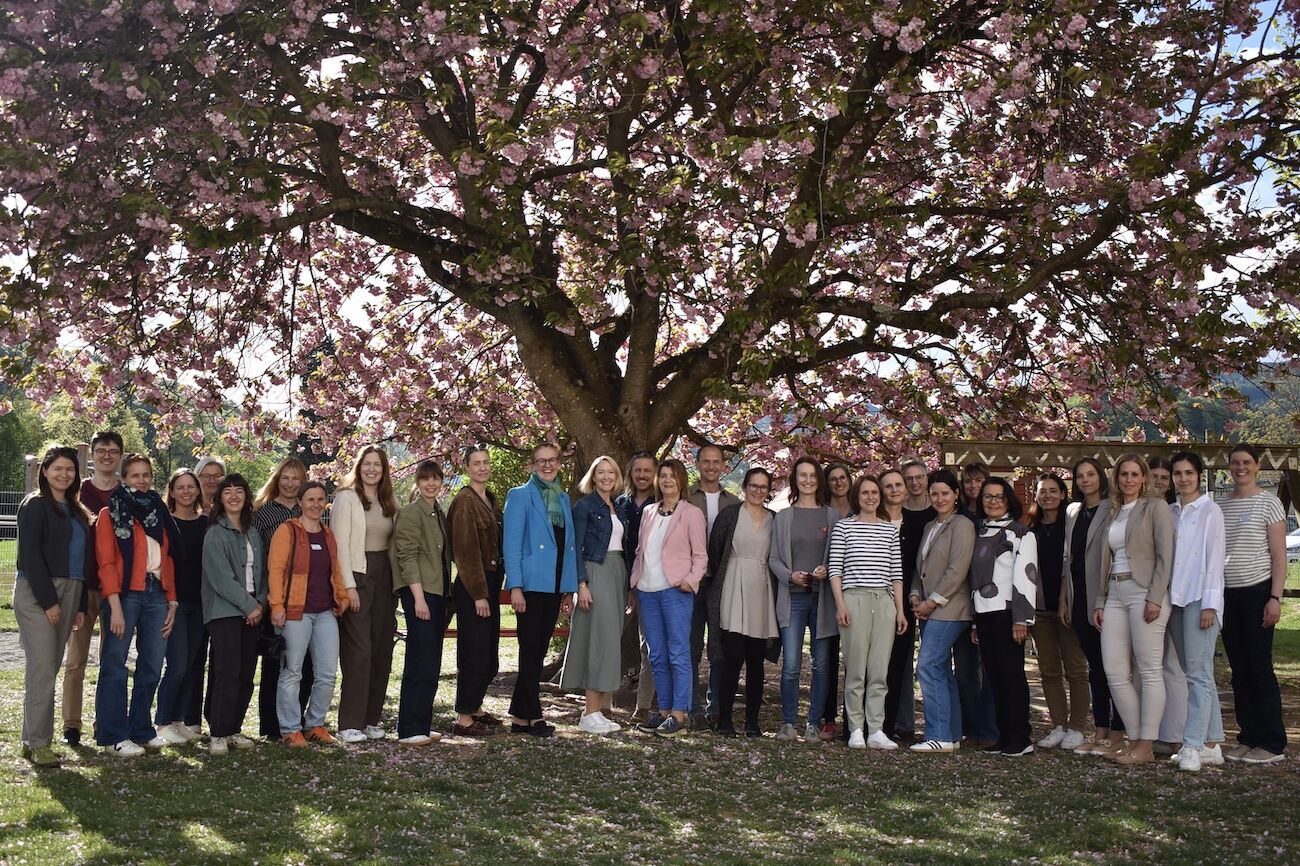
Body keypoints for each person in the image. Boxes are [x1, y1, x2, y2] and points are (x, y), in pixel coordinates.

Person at [93, 454, 181, 756]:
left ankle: (141, 729)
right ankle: (112, 735)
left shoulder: (159, 512)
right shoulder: (111, 512)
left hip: (157, 594)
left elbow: (167, 559)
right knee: (115, 664)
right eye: (134, 476)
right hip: (125, 594)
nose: (141, 481)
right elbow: (105, 562)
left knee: (152, 665)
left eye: (146, 475)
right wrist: (114, 606)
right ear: (124, 478)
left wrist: (172, 600)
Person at [1093, 454, 1174, 766]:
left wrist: (1155, 597)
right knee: (1114, 671)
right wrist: (1100, 600)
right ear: (1117, 479)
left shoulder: (1156, 507)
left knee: (1150, 669)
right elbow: (1105, 560)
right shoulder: (1113, 510)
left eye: (1134, 474)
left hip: (1144, 593)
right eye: (1123, 474)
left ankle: (1146, 744)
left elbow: (1166, 556)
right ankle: (1136, 738)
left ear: (1144, 478)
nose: (1128, 479)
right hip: (1114, 592)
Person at [15, 447, 93, 767]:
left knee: (47, 667)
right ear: (44, 471)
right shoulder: (35, 505)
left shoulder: (76, 510)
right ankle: (39, 743)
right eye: (57, 469)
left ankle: (29, 738)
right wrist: (49, 602)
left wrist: (79, 604)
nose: (64, 474)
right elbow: (31, 557)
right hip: (38, 593)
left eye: (70, 470)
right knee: (44, 666)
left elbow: (84, 561)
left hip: (71, 590)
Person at [268, 480, 352, 747]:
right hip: (295, 612)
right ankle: (289, 729)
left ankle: (314, 724)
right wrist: (276, 605)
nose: (316, 504)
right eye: (310, 499)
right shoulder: (288, 531)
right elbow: (276, 571)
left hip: (325, 611)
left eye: (320, 500)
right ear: (301, 503)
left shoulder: (327, 534)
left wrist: (342, 596)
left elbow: (335, 570)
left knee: (327, 673)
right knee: (292, 671)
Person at [502, 443, 578, 737]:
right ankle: (533, 716)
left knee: (538, 650)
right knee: (530, 649)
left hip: (555, 584)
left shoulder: (563, 497)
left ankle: (521, 718)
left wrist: (568, 588)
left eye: (552, 460)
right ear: (532, 465)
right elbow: (511, 544)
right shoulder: (520, 496)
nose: (547, 465)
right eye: (541, 461)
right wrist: (516, 587)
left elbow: (567, 548)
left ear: (559, 463)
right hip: (531, 585)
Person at [1219, 443, 1288, 764]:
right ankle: (1248, 736)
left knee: (1259, 669)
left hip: (1258, 591)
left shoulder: (1269, 502)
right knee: (1239, 670)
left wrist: (1275, 597)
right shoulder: (1221, 505)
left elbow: (1278, 556)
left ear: (1258, 466)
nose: (1240, 467)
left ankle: (1272, 742)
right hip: (1228, 595)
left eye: (1246, 462)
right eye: (1235, 462)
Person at [630, 458, 708, 736]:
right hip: (647, 591)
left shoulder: (691, 513)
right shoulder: (649, 512)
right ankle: (663, 712)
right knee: (656, 655)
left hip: (676, 591)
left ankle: (679, 713)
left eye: (672, 476)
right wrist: (634, 584)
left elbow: (700, 554)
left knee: (678, 653)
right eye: (662, 475)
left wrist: (691, 580)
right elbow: (641, 551)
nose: (666, 480)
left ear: (681, 481)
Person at [828, 474, 905, 750]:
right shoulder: (844, 528)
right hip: (854, 599)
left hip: (883, 602)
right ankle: (856, 729)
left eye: (875, 493)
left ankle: (876, 729)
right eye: (865, 493)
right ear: (857, 497)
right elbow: (835, 569)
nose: (871, 497)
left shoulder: (889, 530)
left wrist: (899, 610)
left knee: (878, 671)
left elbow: (896, 573)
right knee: (856, 669)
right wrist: (840, 604)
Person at [769, 457, 840, 742]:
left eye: (813, 475)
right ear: (794, 479)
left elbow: (840, 556)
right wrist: (789, 576)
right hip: (793, 599)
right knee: (791, 664)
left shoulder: (832, 516)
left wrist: (827, 569)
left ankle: (813, 722)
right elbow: (774, 558)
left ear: (819, 480)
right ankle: (788, 722)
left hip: (823, 600)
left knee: (821, 664)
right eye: (802, 475)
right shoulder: (784, 517)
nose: (808, 480)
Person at [332, 445, 398, 743]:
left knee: (382, 649)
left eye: (378, 466)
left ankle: (371, 719)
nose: (372, 470)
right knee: (359, 652)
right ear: (359, 467)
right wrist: (348, 586)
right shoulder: (346, 498)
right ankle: (349, 723)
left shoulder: (388, 500)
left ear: (384, 471)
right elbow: (340, 547)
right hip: (358, 574)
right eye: (367, 464)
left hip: (385, 576)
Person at [705, 468, 778, 738]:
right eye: (753, 486)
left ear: (768, 490)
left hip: (761, 588)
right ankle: (724, 719)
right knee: (732, 656)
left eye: (763, 486)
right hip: (733, 586)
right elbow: (715, 553)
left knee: (756, 660)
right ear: (745, 487)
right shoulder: (729, 515)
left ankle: (752, 722)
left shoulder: (775, 519)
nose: (758, 491)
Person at [561, 456, 631, 734]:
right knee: (599, 640)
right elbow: (575, 547)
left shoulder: (619, 506)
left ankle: (598, 711)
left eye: (610, 472)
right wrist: (581, 583)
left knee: (611, 640)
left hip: (617, 571)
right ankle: (589, 713)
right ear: (593, 476)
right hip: (596, 570)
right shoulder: (584, 505)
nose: (606, 477)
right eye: (600, 472)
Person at [970, 477, 1039, 756]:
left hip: (1009, 614)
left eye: (999, 497)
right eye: (988, 496)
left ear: (1009, 499)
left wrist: (1022, 619)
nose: (993, 501)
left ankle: (1021, 738)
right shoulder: (979, 531)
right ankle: (1003, 735)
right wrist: (974, 620)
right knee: (994, 677)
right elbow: (974, 578)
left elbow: (1027, 576)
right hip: (984, 613)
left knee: (1012, 676)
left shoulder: (1021, 533)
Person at [62, 429, 122, 747]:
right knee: (75, 661)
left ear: (119, 456)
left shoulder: (127, 495)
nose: (107, 455)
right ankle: (71, 725)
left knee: (111, 661)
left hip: (116, 590)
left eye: (113, 451)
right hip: (81, 587)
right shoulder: (77, 493)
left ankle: (106, 723)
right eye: (101, 450)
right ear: (93, 455)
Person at [909, 469, 975, 753]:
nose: (939, 498)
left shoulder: (962, 525)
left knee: (927, 665)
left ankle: (937, 735)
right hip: (926, 608)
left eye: (945, 493)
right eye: (934, 493)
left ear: (956, 494)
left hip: (951, 608)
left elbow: (957, 569)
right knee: (941, 670)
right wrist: (914, 594)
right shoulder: (929, 526)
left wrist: (932, 601)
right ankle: (952, 734)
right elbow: (920, 568)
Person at [1168, 451, 1226, 772]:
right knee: (1196, 674)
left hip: (1199, 600)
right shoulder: (1171, 511)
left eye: (1189, 472)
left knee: (1199, 674)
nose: (1183, 478)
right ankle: (1212, 743)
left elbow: (1215, 560)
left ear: (1199, 475)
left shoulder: (1210, 511)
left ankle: (1191, 745)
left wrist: (1211, 605)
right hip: (1175, 601)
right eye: (1178, 473)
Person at [1062, 456, 1124, 756]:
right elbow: (1067, 559)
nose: (1085, 480)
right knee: (1094, 668)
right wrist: (1065, 598)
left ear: (1101, 477)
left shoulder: (1112, 508)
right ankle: (1099, 729)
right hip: (1078, 596)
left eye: (1090, 474)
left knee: (1111, 665)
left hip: (1104, 595)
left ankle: (1118, 730)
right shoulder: (1072, 511)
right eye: (1079, 475)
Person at [201, 473, 265, 755]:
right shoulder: (215, 533)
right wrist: (249, 605)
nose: (234, 496)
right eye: (228, 492)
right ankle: (218, 732)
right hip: (225, 611)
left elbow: (262, 574)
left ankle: (233, 728)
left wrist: (260, 603)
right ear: (220, 498)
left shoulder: (253, 533)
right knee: (226, 672)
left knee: (245, 673)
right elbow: (221, 579)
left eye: (240, 491)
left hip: (253, 610)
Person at [391, 460, 452, 746]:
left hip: (437, 593)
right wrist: (417, 599)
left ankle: (421, 725)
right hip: (421, 593)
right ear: (417, 482)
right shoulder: (410, 513)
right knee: (419, 660)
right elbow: (407, 556)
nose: (431, 483)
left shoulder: (437, 512)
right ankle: (409, 728)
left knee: (431, 661)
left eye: (435, 479)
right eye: (425, 479)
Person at [1027, 473, 1088, 752]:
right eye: (1043, 491)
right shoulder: (1031, 528)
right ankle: (1058, 725)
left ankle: (1077, 727)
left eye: (1053, 490)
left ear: (1064, 494)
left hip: (1067, 606)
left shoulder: (1072, 526)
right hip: (1040, 610)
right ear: (1036, 496)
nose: (1048, 495)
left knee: (1075, 669)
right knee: (1049, 671)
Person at [251, 457, 310, 739]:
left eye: (295, 478)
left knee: (305, 664)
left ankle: (296, 721)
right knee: (277, 661)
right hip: (276, 596)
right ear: (277, 480)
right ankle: (271, 727)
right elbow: (258, 557)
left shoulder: (309, 509)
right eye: (285, 478)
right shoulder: (263, 513)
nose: (290, 483)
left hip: (309, 598)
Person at [448, 445, 504, 737]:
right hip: (474, 585)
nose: (482, 467)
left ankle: (476, 707)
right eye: (476, 464)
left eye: (485, 463)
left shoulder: (489, 500)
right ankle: (463, 718)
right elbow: (466, 552)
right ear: (466, 468)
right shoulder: (465, 502)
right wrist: (479, 593)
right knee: (474, 651)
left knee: (489, 651)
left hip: (491, 582)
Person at [687, 443, 740, 730]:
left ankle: (716, 707)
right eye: (705, 461)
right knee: (692, 647)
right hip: (691, 583)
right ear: (698, 464)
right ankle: (693, 708)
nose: (710, 466)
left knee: (718, 648)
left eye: (715, 462)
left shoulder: (733, 503)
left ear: (723, 466)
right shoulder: (684, 498)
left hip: (721, 583)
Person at [153, 469, 207, 744]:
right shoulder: (165, 524)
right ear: (172, 492)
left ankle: (178, 720)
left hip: (200, 604)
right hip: (173, 603)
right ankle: (162, 722)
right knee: (176, 665)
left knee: (192, 665)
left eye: (191, 486)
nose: (186, 491)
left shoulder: (206, 523)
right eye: (180, 487)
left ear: (197, 491)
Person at [888, 459, 933, 742]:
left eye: (919, 477)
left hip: (932, 594)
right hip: (900, 591)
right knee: (900, 660)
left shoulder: (937, 510)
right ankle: (903, 723)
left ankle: (937, 725)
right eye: (909, 479)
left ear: (927, 478)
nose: (914, 483)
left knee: (930, 662)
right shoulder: (895, 514)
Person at [954, 461, 997, 747]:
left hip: (990, 598)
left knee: (991, 668)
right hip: (960, 598)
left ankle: (989, 727)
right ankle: (970, 725)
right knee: (965, 667)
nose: (973, 487)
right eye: (968, 482)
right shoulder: (958, 517)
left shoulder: (994, 517)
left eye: (978, 481)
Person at [615, 451, 658, 721]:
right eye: (637, 470)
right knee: (610, 639)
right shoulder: (619, 503)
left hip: (650, 581)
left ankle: (642, 706)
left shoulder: (663, 504)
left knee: (649, 645)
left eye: (647, 470)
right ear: (630, 473)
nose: (642, 475)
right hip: (618, 578)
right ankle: (602, 702)